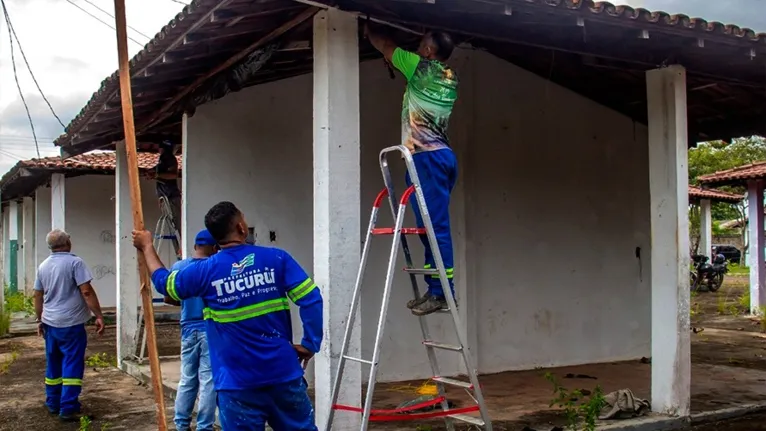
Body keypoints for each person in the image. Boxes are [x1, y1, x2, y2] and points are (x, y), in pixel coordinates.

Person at [133, 201, 322, 430]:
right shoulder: (277, 259)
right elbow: (311, 299)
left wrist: (147, 247)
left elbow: (165, 283)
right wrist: (310, 343)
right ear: (242, 228)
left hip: (236, 386)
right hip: (283, 375)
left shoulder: (205, 271)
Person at [365, 24, 459, 315]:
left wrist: (368, 28)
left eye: (421, 45)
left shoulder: (419, 66)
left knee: (436, 228)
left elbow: (386, 45)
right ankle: (435, 288)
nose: (417, 48)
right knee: (428, 227)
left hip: (427, 159)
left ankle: (443, 293)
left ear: (429, 51)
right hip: (436, 157)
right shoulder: (449, 76)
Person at [33, 229, 105, 422]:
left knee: (53, 363)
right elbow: (86, 291)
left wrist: (39, 319)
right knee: (72, 363)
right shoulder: (75, 263)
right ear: (67, 243)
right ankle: (69, 407)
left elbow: (37, 295)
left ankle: (53, 403)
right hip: (71, 324)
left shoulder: (43, 266)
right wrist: (98, 315)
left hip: (50, 323)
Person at [163, 229, 219, 431]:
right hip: (209, 328)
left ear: (195, 247)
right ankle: (204, 426)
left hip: (187, 328)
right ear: (215, 248)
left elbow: (169, 297)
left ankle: (181, 424)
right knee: (208, 380)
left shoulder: (179, 267)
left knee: (187, 378)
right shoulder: (214, 267)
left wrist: (188, 302)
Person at [154, 140, 183, 245]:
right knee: (172, 224)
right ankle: (179, 246)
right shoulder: (162, 160)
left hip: (171, 197)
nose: (159, 150)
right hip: (164, 197)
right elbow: (156, 172)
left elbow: (173, 175)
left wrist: (157, 176)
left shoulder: (170, 159)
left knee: (178, 224)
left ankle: (182, 246)